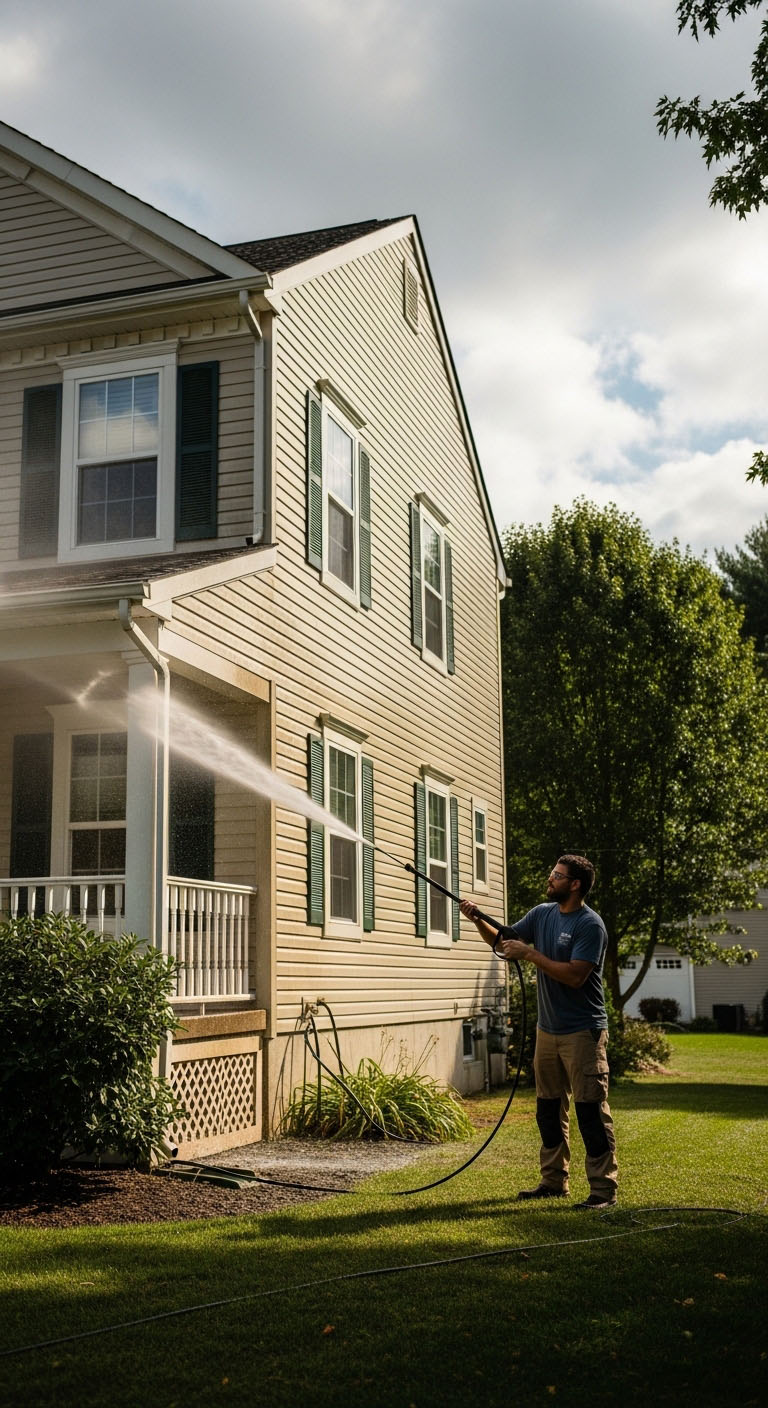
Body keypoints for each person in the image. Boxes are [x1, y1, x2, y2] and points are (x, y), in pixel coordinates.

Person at [460, 854, 618, 1209]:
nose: (550, 879)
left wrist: (530, 954)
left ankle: (603, 1190)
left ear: (575, 884)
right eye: (552, 873)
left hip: (583, 1032)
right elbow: (503, 943)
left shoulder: (590, 925)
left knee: (590, 1111)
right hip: (548, 1030)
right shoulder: (542, 913)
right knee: (548, 1109)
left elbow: (575, 976)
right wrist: (478, 920)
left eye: (557, 875)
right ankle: (553, 1182)